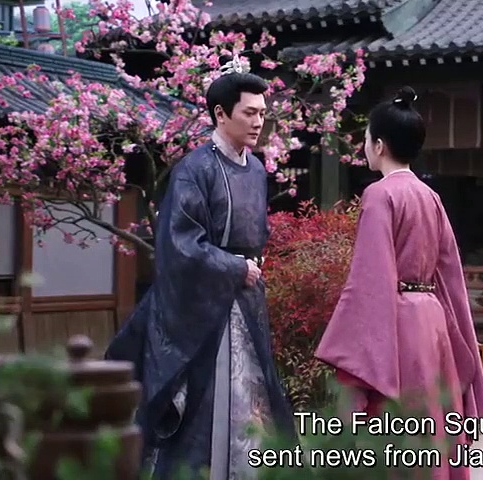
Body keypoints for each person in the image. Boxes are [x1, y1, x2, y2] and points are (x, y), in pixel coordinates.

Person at [104, 58, 297, 479]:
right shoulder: (193, 170)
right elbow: (179, 244)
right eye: (249, 112)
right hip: (201, 306)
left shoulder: (257, 169)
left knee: (254, 396)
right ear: (220, 114)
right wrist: (233, 267)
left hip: (246, 296)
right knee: (206, 403)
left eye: (262, 113)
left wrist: (248, 269)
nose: (258, 122)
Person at [314, 86, 483, 480]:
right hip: (433, 321)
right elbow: (450, 275)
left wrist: (352, 349)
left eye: (366, 139)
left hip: (400, 321)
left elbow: (370, 277)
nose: (364, 146)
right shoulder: (431, 197)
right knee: (432, 421)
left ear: (379, 145)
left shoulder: (379, 195)